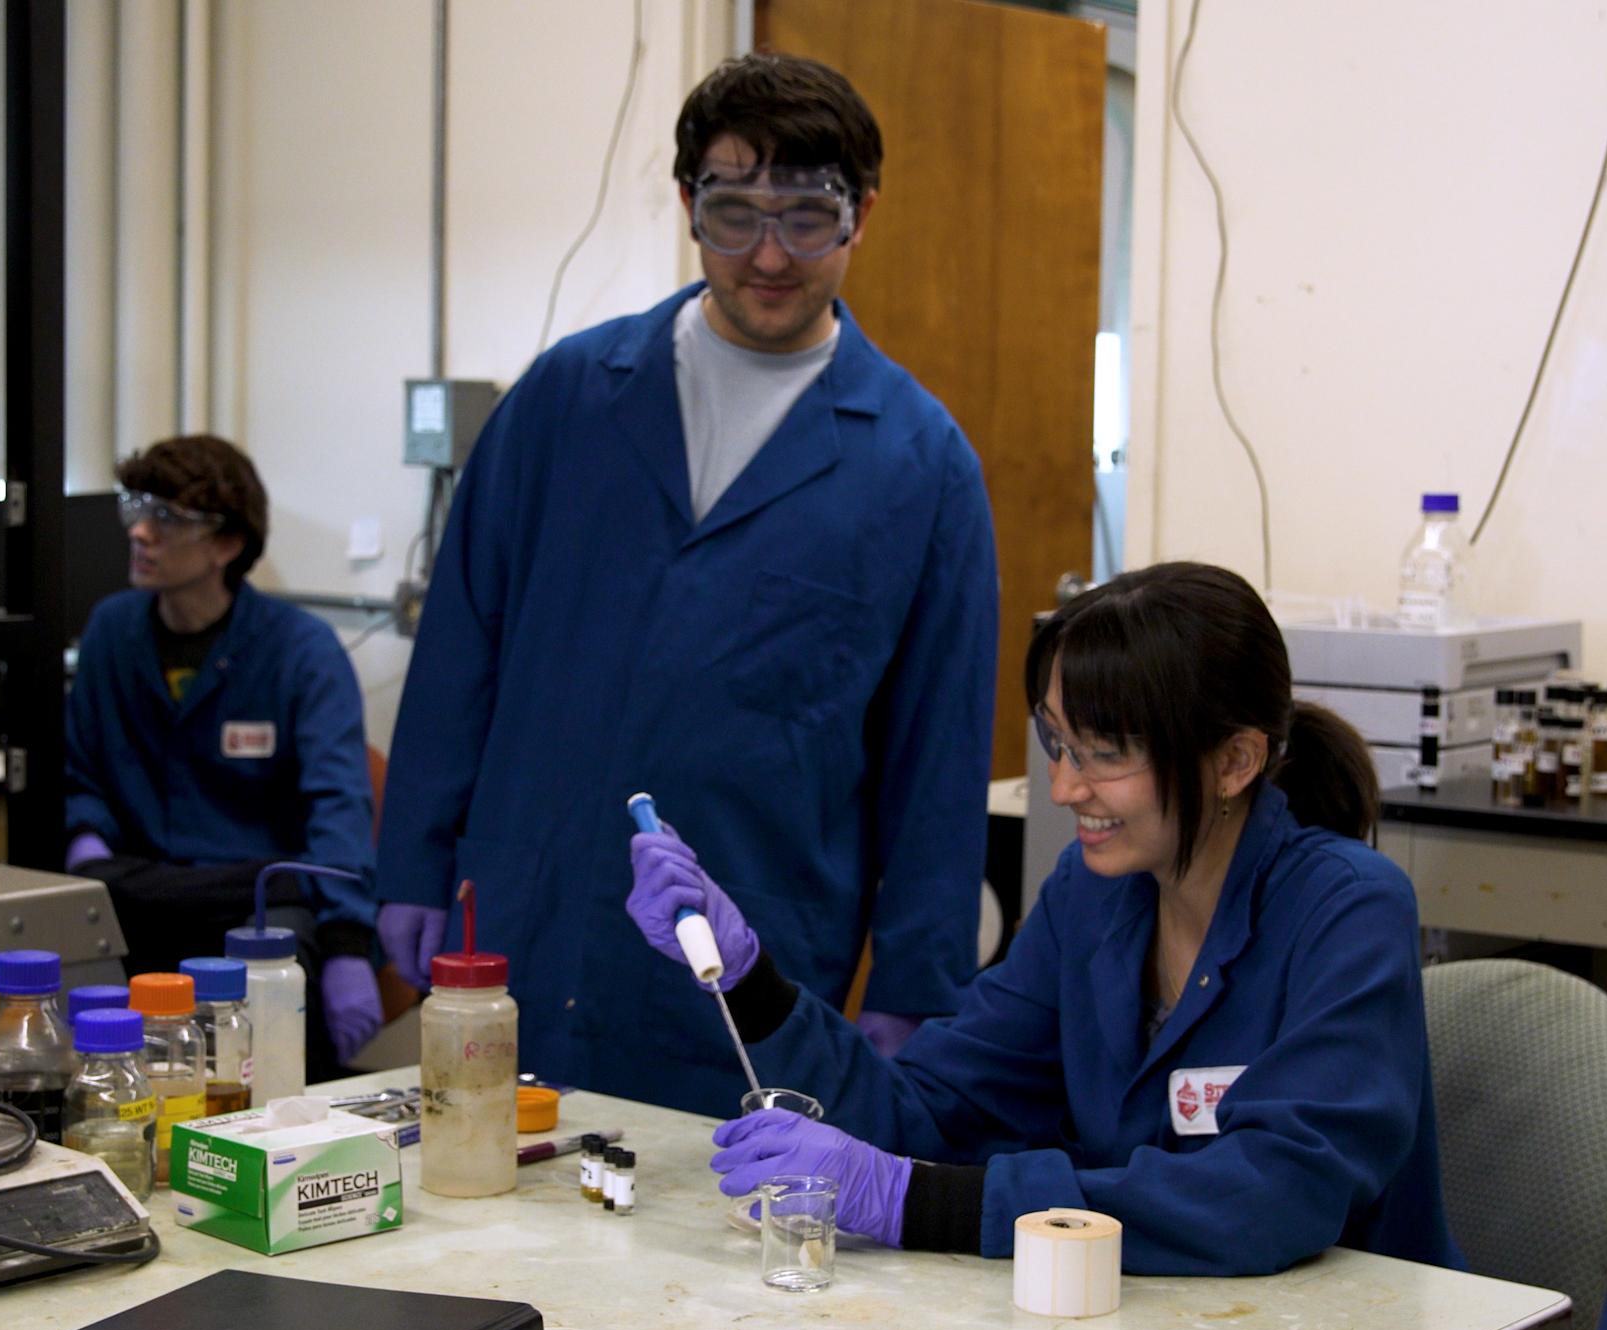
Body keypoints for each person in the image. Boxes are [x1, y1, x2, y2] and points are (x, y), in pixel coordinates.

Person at [374, 53, 1000, 1116]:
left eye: (806, 215)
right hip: (526, 924)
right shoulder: (568, 399)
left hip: (750, 968)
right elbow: (460, 650)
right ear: (685, 204)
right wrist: (413, 862)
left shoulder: (920, 465)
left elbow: (938, 757)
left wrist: (917, 982)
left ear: (863, 216)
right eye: (732, 211)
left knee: (716, 1258)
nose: (767, 254)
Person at [625, 562, 1465, 1275]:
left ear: (1236, 760)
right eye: (1058, 744)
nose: (1064, 789)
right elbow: (927, 1114)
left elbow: (1274, 1194)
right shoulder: (1093, 896)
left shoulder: (1348, 908)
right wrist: (750, 981)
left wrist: (916, 1203)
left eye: (1106, 755)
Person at [64, 435, 382, 1082]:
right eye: (137, 509)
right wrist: (86, 844)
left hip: (258, 900)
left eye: (169, 520)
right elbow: (82, 771)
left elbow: (338, 804)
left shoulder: (301, 652)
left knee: (269, 1063)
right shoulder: (111, 633)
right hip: (141, 890)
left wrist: (349, 945)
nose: (141, 533)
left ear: (227, 546)